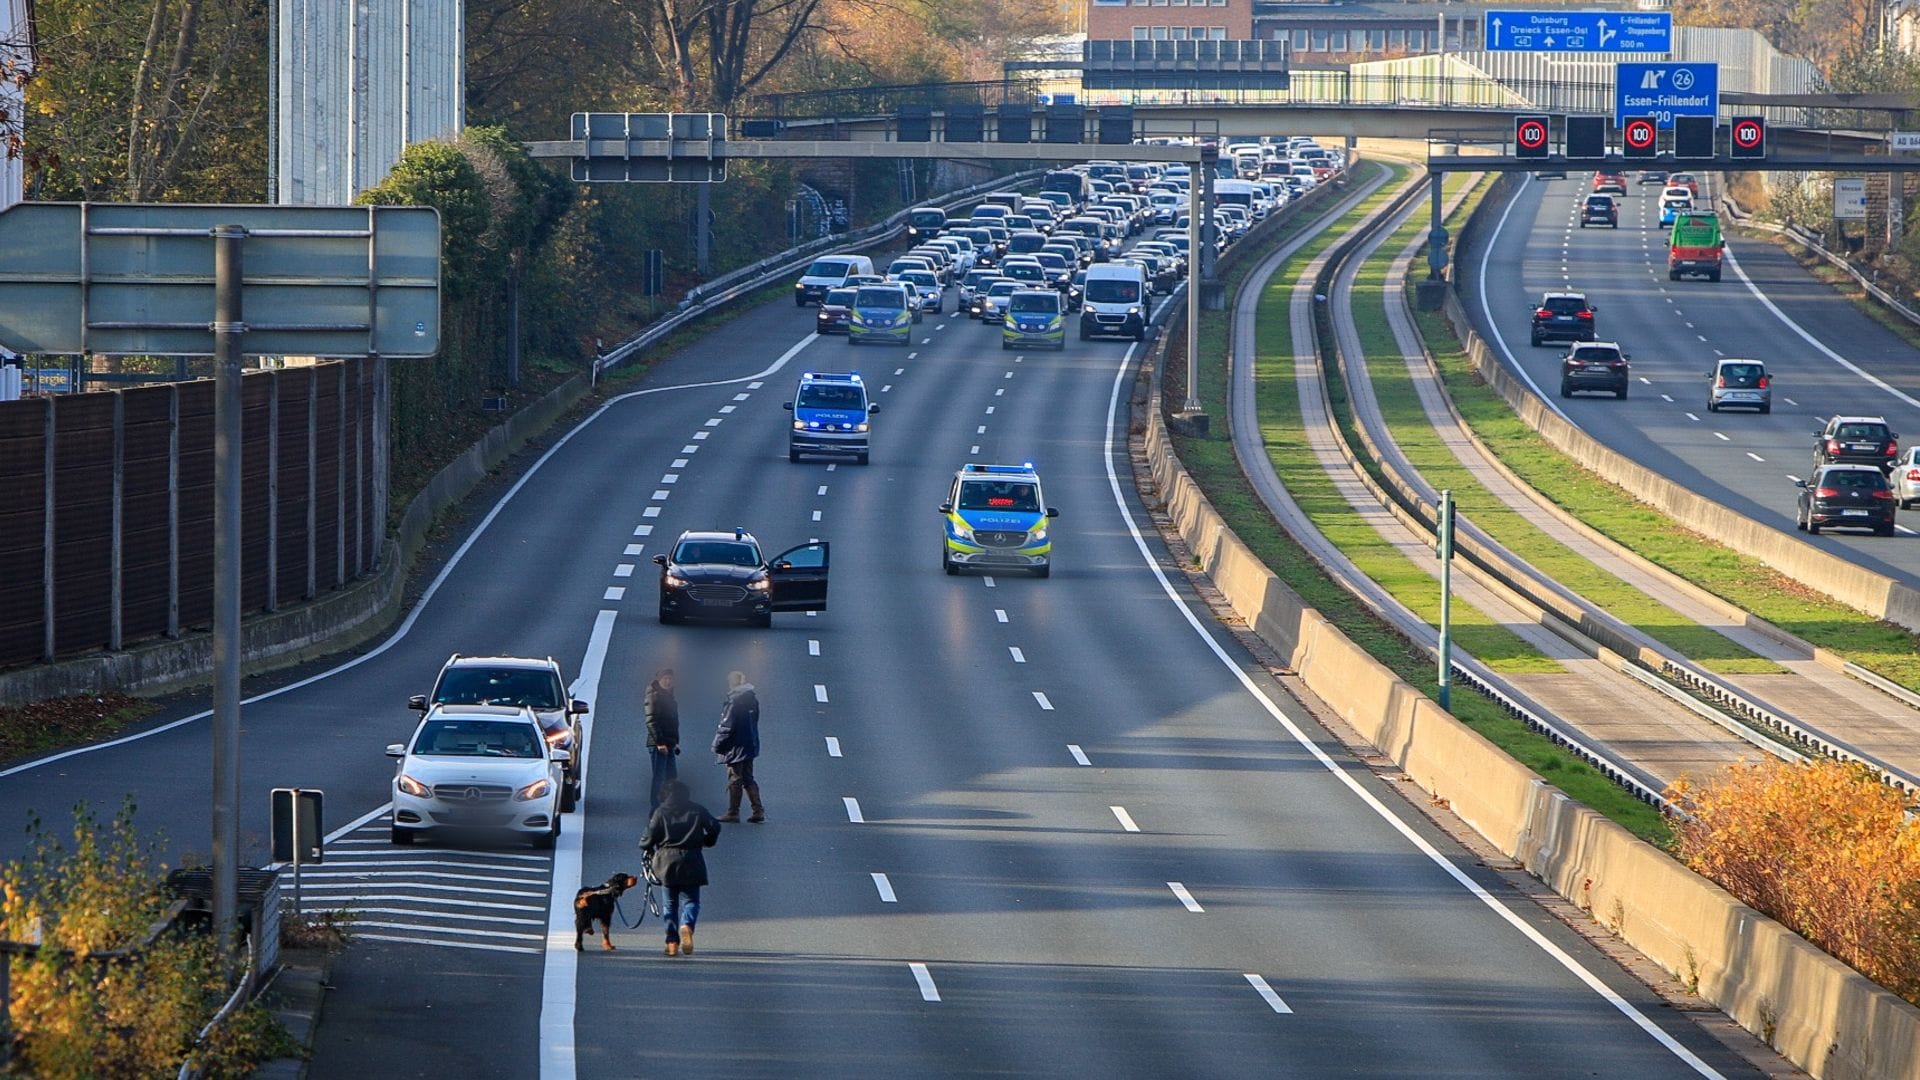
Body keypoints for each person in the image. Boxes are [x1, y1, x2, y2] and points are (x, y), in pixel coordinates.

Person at [642, 779, 720, 957]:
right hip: (692, 859)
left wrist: (647, 847)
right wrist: (708, 841)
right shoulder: (697, 810)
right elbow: (715, 826)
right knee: (691, 901)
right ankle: (687, 925)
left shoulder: (660, 812)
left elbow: (649, 835)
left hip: (666, 861)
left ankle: (671, 942)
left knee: (669, 904)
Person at [711, 670, 763, 824]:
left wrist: (717, 745)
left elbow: (727, 726)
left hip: (735, 746)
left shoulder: (734, 701)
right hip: (750, 743)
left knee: (735, 778)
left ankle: (733, 812)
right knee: (748, 777)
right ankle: (758, 809)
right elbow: (756, 719)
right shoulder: (752, 699)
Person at [644, 669, 680, 812]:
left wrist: (675, 741)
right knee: (659, 777)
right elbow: (651, 721)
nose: (668, 681)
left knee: (672, 776)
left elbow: (673, 721)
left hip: (669, 743)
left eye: (670, 678)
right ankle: (656, 807)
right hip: (659, 744)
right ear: (659, 680)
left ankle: (668, 804)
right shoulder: (654, 696)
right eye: (665, 678)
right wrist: (660, 743)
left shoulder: (669, 696)